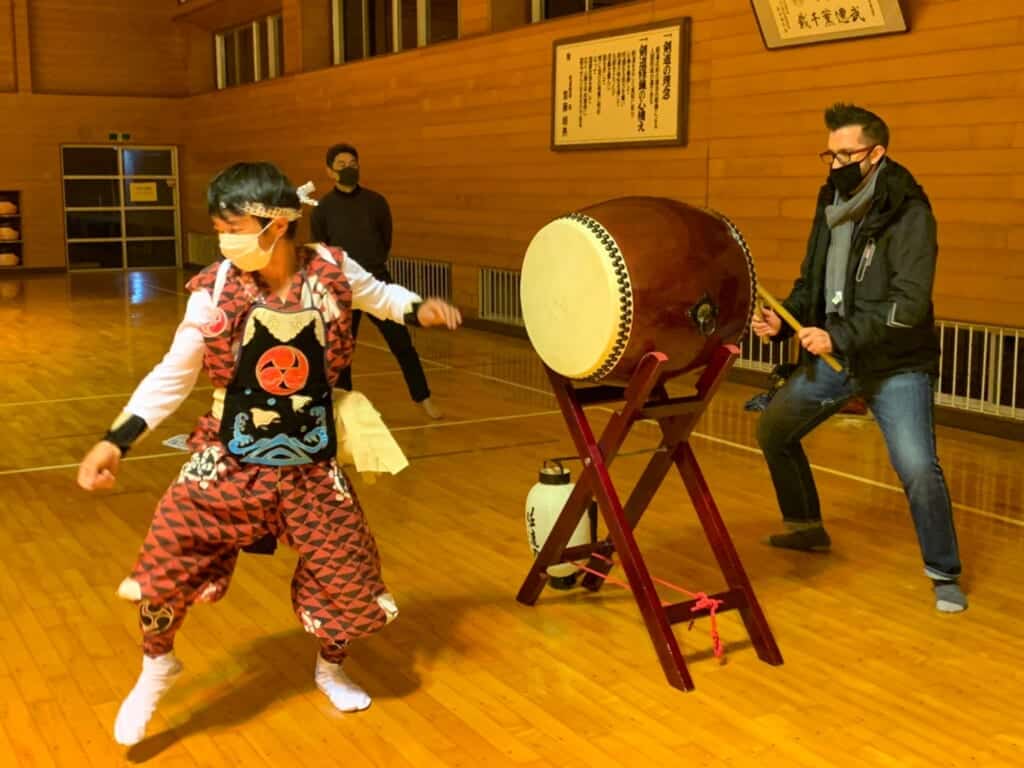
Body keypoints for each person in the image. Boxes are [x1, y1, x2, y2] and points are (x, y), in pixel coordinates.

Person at [77, 162, 462, 747]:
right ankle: (157, 665)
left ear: (277, 224)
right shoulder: (212, 290)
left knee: (348, 577)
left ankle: (330, 665)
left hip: (310, 464)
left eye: (235, 226)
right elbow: (172, 375)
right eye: (219, 229)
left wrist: (419, 309)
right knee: (164, 556)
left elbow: (380, 297)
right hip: (227, 457)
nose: (226, 240)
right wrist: (116, 440)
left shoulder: (331, 269)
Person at [752, 103, 966, 613]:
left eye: (846, 154)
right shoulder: (831, 202)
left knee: (917, 466)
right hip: (838, 357)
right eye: (830, 154)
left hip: (895, 363)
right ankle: (806, 527)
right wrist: (785, 322)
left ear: (877, 154)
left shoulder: (910, 213)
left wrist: (837, 337)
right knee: (773, 431)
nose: (835, 164)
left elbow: (909, 307)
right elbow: (812, 284)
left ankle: (944, 572)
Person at [312, 143, 443, 419]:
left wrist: (371, 269)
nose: (349, 168)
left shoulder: (376, 202)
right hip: (342, 288)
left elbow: (385, 239)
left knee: (402, 344)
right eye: (342, 165)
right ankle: (343, 403)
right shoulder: (323, 208)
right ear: (329, 171)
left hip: (376, 282)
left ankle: (423, 397)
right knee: (344, 347)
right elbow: (322, 248)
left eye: (353, 163)